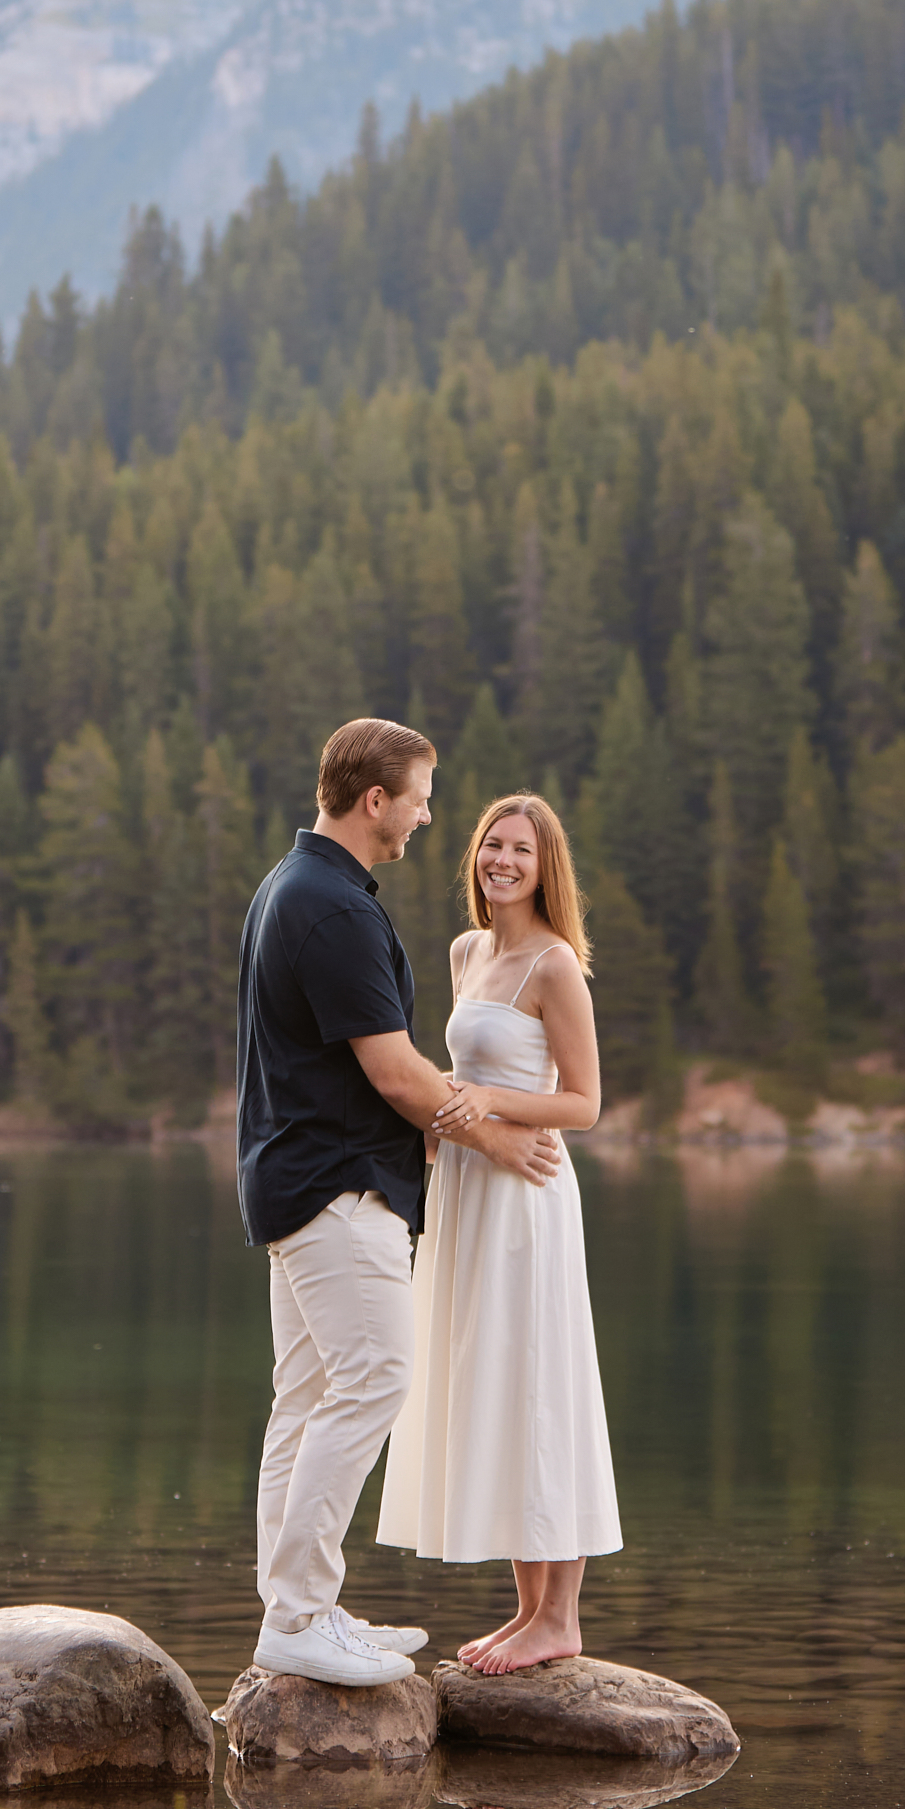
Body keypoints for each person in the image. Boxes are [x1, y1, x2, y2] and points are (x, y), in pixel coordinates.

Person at [238, 720, 563, 1688]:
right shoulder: (331, 908)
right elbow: (396, 1074)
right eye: (419, 794)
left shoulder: (288, 887)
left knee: (303, 1400)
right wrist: (496, 1136)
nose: (428, 813)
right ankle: (297, 1616)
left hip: (295, 1181)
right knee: (372, 1381)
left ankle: (298, 1606)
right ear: (373, 799)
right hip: (340, 1187)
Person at [376, 792, 621, 1672]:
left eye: (518, 849)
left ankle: (561, 1618)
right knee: (496, 1382)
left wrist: (485, 1102)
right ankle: (527, 1613)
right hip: (470, 1187)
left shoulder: (555, 965)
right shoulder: (467, 950)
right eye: (489, 845)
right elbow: (465, 1070)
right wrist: (448, 1115)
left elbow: (584, 1103)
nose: (500, 861)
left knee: (541, 1382)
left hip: (528, 1197)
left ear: (542, 864)